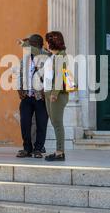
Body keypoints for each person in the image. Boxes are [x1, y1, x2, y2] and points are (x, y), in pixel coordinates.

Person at [16, 34, 49, 159]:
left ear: (39, 45)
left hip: (41, 97)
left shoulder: (46, 58)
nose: (29, 47)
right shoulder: (25, 59)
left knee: (41, 124)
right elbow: (19, 75)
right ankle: (27, 148)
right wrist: (19, 89)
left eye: (32, 44)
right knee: (25, 123)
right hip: (27, 97)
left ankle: (38, 149)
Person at [44, 31, 70, 162]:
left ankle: (60, 152)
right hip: (49, 92)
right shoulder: (53, 56)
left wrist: (54, 94)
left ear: (53, 43)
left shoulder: (61, 56)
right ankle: (58, 151)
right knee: (54, 122)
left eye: (48, 42)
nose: (46, 44)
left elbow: (60, 77)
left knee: (57, 123)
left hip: (57, 95)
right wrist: (25, 44)